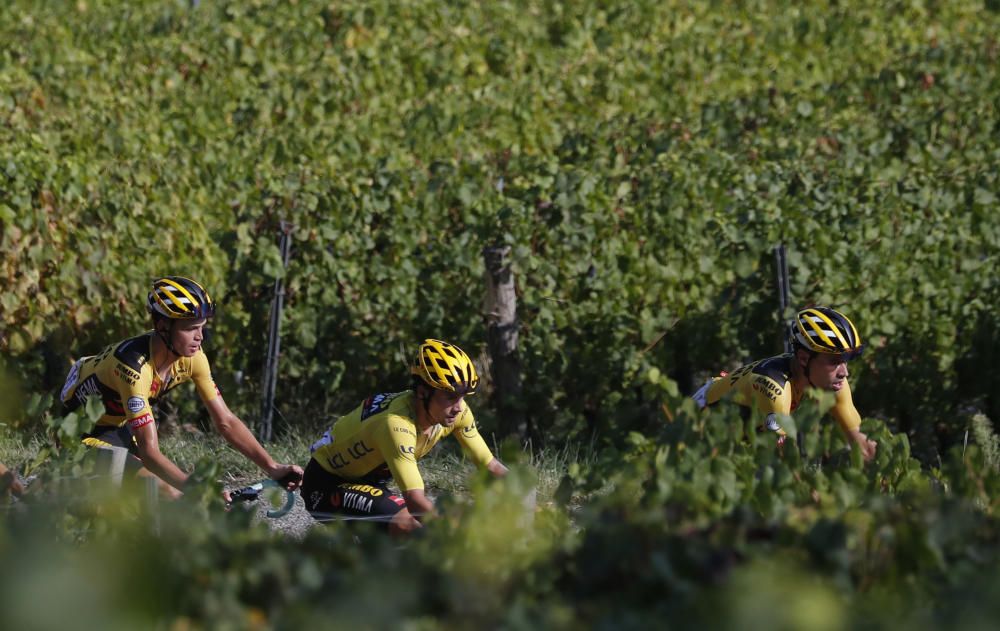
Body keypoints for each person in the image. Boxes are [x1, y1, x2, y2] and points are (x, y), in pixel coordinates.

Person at [60, 276, 303, 498]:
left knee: (166, 494)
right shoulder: (133, 367)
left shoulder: (194, 357)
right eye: (190, 329)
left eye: (202, 326)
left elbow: (226, 421)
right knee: (164, 491)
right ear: (163, 327)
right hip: (79, 434)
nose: (200, 337)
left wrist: (273, 468)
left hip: (115, 429)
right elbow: (150, 453)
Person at [302, 338, 508, 535]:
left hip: (368, 483)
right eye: (450, 396)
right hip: (325, 485)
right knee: (411, 525)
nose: (459, 407)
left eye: (462, 397)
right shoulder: (396, 425)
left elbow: (491, 466)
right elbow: (415, 502)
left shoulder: (454, 412)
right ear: (422, 392)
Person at [692, 306, 878, 462]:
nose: (844, 372)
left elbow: (859, 440)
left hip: (745, 430)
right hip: (702, 419)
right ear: (804, 358)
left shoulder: (835, 382)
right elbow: (785, 457)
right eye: (834, 361)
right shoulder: (773, 388)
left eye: (847, 359)